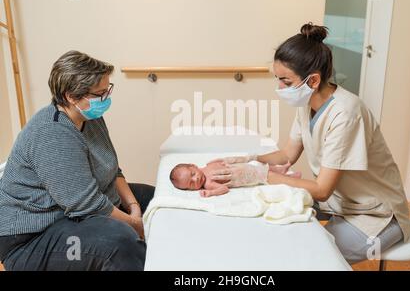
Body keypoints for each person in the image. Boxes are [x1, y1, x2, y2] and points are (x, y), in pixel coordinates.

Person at [209, 23, 410, 264]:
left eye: (285, 81)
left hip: (377, 214)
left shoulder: (346, 113)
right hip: (341, 202)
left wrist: (260, 174)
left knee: (307, 257)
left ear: (313, 80)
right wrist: (249, 158)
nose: (279, 88)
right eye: (277, 79)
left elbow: (322, 189)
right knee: (270, 222)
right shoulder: (307, 105)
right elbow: (287, 155)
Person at [0, 51, 155, 271]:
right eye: (99, 94)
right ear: (71, 96)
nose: (106, 99)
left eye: (107, 91)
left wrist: (134, 206)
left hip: (74, 210)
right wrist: (135, 225)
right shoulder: (52, 134)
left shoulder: (90, 117)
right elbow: (87, 204)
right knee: (120, 243)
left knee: (157, 201)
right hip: (32, 238)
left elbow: (113, 170)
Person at [170, 161, 301, 197]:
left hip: (240, 166)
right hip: (245, 176)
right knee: (263, 175)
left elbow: (220, 162)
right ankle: (289, 178)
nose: (196, 179)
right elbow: (224, 188)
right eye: (191, 184)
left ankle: (281, 169)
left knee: (258, 164)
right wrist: (211, 192)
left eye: (193, 174)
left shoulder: (207, 166)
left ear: (193, 166)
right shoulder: (208, 184)